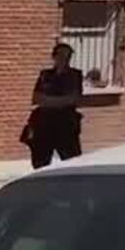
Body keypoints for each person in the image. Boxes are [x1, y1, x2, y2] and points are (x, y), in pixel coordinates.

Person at [24, 41, 84, 169]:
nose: (64, 59)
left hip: (65, 123)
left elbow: (74, 99)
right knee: (40, 161)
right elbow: (36, 98)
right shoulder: (45, 75)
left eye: (68, 56)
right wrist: (59, 101)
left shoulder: (74, 75)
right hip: (44, 123)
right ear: (54, 57)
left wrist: (49, 101)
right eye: (61, 55)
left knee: (72, 160)